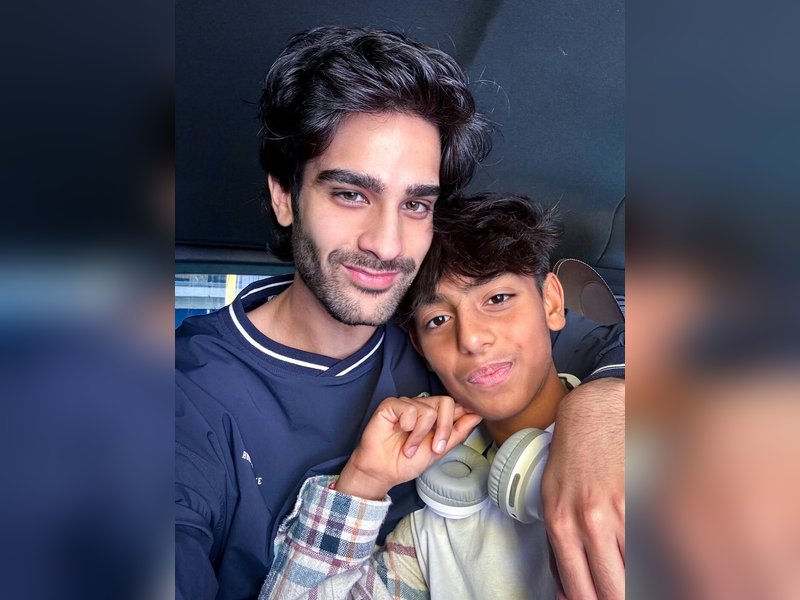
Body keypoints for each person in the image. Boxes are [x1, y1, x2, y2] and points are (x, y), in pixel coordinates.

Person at [176, 26, 625, 600]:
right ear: (285, 197)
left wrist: (600, 412)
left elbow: (614, 340)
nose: (387, 245)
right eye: (351, 194)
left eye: (414, 204)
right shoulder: (175, 397)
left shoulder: (432, 334)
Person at [259, 192, 590, 599]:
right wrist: (364, 479)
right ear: (421, 348)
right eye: (438, 319)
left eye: (497, 299)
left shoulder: (641, 448)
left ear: (551, 303)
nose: (470, 339)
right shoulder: (434, 522)